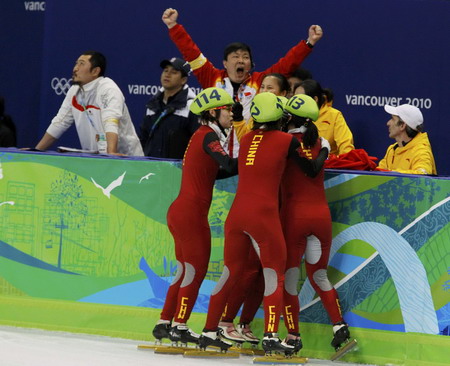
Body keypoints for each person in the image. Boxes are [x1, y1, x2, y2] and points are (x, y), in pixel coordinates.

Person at [198, 93, 328, 354]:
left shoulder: (246, 139)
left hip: (236, 216)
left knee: (229, 272)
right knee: (274, 275)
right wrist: (324, 148)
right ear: (280, 116)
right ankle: (270, 335)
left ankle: (209, 330)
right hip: (263, 216)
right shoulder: (286, 140)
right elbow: (312, 170)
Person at [152, 87, 238, 346]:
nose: (232, 114)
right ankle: (180, 325)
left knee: (183, 270)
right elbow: (229, 164)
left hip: (181, 211)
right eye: (228, 109)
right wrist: (258, 151)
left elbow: (217, 172)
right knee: (195, 270)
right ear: (213, 112)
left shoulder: (202, 135)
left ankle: (165, 321)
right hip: (190, 214)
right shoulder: (209, 135)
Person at [218, 73, 291, 345]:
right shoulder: (280, 138)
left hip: (253, 211)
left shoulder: (256, 137)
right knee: (262, 271)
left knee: (252, 272)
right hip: (264, 213)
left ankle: (231, 324)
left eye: (269, 88)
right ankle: (259, 330)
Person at [161, 8, 323, 120]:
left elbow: (288, 64)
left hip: (248, 151)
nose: (240, 60)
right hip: (218, 152)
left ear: (250, 64)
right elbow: (191, 51)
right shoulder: (211, 77)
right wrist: (173, 26)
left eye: (245, 57)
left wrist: (309, 43)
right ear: (225, 63)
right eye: (235, 56)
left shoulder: (261, 81)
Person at [281, 94, 350, 354]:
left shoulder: (284, 143)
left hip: (294, 218)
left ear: (289, 118)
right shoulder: (322, 142)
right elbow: (315, 167)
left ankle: (293, 336)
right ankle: (339, 326)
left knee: (290, 278)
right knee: (319, 274)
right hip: (321, 217)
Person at [35, 51, 143, 156]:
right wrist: (36, 151)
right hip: (96, 158)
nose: (75, 68)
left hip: (127, 159)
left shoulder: (108, 88)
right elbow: (60, 122)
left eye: (82, 64)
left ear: (95, 71)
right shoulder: (74, 90)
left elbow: (111, 121)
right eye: (76, 63)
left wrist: (111, 154)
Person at [140, 57, 199, 159]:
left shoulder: (192, 106)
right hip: (152, 167)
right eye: (165, 70)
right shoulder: (153, 105)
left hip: (178, 169)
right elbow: (143, 138)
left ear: (183, 80)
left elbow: (197, 142)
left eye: (174, 72)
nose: (167, 74)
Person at [295, 79, 354, 156]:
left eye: (300, 99)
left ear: (315, 99)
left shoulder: (334, 115)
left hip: (327, 164)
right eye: (294, 98)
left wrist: (344, 163)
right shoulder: (291, 116)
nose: (295, 102)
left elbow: (346, 147)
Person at [378, 104, 437, 175]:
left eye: (393, 119)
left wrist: (392, 174)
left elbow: (423, 175)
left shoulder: (421, 151)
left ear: (402, 126)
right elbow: (380, 173)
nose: (388, 123)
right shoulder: (392, 149)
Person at [233, 73, 290, 140]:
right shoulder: (257, 112)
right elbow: (244, 140)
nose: (264, 91)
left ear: (283, 93)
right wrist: (238, 119)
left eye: (269, 88)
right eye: (262, 87)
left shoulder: (289, 113)